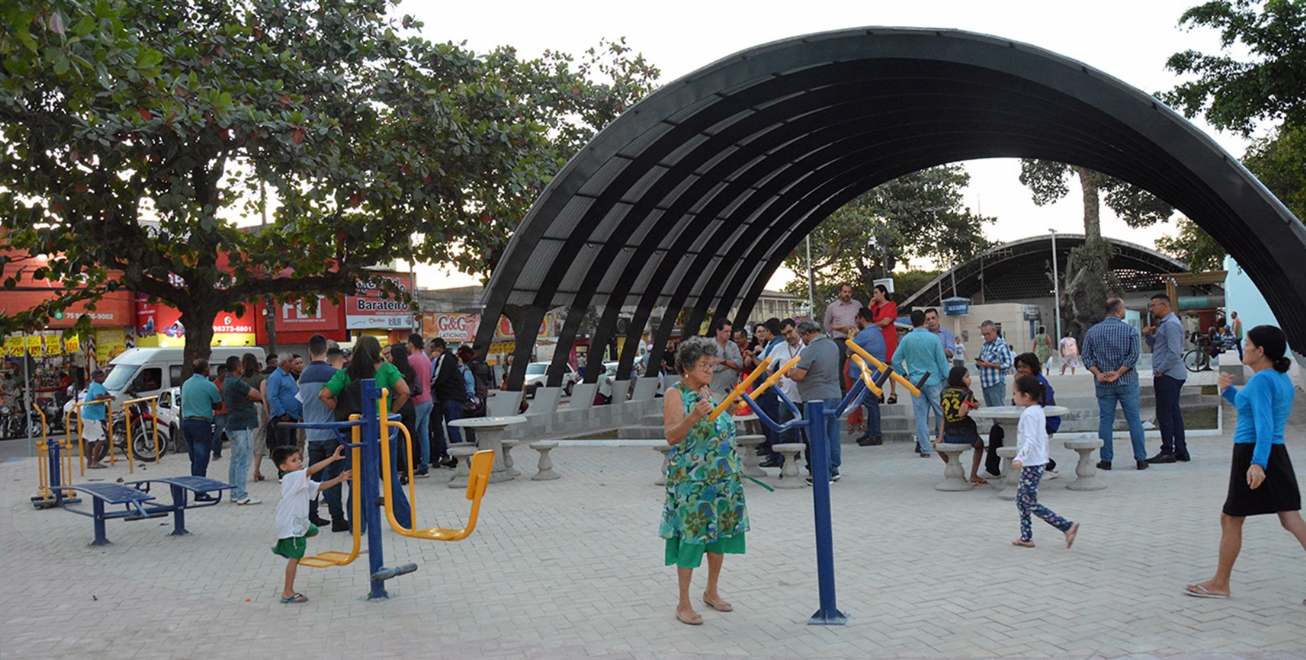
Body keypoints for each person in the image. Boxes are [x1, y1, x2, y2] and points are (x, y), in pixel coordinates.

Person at [1185, 325, 1306, 600]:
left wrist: (1257, 464)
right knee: (1290, 518)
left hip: (1256, 453)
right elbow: (1250, 409)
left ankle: (1220, 583)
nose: (1244, 348)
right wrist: (1227, 391)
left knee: (1230, 518)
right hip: (1274, 453)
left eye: (1248, 344)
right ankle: (1219, 581)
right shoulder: (1278, 377)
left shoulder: (1263, 380)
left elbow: (1265, 424)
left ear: (1260, 351)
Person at [659, 336, 750, 626]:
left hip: (721, 480)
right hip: (693, 482)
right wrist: (693, 418)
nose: (710, 370)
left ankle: (711, 591)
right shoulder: (676, 394)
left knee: (719, 536)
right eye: (704, 365)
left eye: (712, 365)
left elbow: (715, 426)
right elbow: (672, 436)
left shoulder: (707, 390)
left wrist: (730, 409)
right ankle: (683, 602)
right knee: (692, 537)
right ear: (686, 367)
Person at [318, 335, 412, 531]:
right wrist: (391, 411)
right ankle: (404, 522)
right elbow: (404, 391)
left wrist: (342, 411)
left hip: (356, 427)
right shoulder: (386, 369)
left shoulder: (346, 372)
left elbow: (324, 395)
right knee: (388, 474)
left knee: (357, 476)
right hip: (383, 426)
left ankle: (358, 525)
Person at [270, 444, 352, 604]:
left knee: (313, 531)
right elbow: (311, 470)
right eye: (294, 460)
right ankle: (287, 592)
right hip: (292, 525)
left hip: (300, 522)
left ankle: (285, 546)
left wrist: (339, 479)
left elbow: (320, 486)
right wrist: (332, 459)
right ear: (283, 467)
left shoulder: (300, 480)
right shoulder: (291, 477)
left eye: (299, 459)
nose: (299, 462)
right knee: (296, 557)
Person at [1011, 374, 1079, 549]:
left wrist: (1020, 458)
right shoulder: (1037, 411)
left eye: (1015, 394)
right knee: (1021, 499)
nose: (1013, 398)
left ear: (1026, 396)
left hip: (1032, 463)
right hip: (1034, 462)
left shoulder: (1030, 414)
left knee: (1028, 502)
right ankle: (1026, 536)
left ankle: (1066, 525)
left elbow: (1031, 441)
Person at [1081, 298, 1148, 471]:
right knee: (1134, 420)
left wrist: (1099, 374)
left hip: (1103, 383)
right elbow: (1133, 357)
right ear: (1119, 310)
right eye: (1124, 307)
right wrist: (1119, 373)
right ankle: (1141, 459)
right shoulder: (1129, 331)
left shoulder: (1092, 332)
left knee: (1105, 421)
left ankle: (1106, 460)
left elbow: (1086, 357)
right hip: (1127, 381)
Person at [299, 335, 345, 528]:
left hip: (313, 433)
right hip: (332, 432)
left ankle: (311, 515)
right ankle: (337, 518)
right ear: (326, 350)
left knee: (313, 477)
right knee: (334, 477)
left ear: (309, 351)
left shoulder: (303, 376)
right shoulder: (332, 374)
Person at [892, 309, 951, 458]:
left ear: (911, 323)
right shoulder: (933, 339)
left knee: (920, 416)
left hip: (916, 382)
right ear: (925, 321)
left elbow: (895, 360)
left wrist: (904, 374)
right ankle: (941, 441)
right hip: (934, 379)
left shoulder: (906, 339)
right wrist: (947, 377)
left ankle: (925, 448)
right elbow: (941, 361)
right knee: (940, 413)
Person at [790, 319, 843, 483]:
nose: (801, 339)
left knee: (818, 437)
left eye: (801, 336)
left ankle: (823, 474)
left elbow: (798, 376)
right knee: (832, 435)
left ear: (807, 334)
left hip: (815, 398)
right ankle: (834, 469)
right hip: (835, 394)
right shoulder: (832, 345)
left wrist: (789, 373)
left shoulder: (810, 350)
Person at [1142, 294, 1190, 464]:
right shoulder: (1166, 324)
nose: (1151, 309)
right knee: (1173, 412)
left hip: (1169, 375)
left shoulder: (1171, 324)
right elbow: (1158, 346)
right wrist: (1148, 336)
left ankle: (1167, 451)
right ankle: (1180, 450)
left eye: (1154, 306)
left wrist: (1160, 370)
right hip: (1170, 374)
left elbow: (1174, 352)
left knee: (1165, 413)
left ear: (1164, 306)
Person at [760, 319, 805, 466]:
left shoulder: (807, 345)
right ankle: (784, 467)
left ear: (796, 328)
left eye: (790, 332)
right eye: (784, 334)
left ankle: (812, 468)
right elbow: (767, 365)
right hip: (785, 398)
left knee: (807, 435)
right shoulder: (779, 347)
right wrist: (772, 378)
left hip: (804, 396)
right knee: (785, 434)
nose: (788, 336)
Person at [222, 356, 263, 506]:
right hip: (242, 425)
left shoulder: (227, 381)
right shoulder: (237, 382)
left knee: (235, 459)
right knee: (243, 460)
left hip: (233, 424)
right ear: (238, 367)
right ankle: (242, 494)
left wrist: (249, 397)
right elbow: (257, 395)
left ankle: (234, 492)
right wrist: (250, 397)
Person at [934, 366, 986, 485]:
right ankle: (973, 475)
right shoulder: (966, 393)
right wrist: (972, 405)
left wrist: (940, 437)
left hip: (949, 434)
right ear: (960, 379)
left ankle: (952, 466)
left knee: (938, 446)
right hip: (967, 433)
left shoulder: (944, 392)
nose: (970, 379)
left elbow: (943, 418)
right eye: (967, 377)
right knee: (979, 445)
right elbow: (962, 412)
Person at [1012, 352, 1060, 477]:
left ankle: (1040, 464)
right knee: (997, 430)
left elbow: (1038, 402)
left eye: (1024, 367)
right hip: (1036, 421)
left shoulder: (1038, 383)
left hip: (1047, 421)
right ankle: (992, 468)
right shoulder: (1024, 383)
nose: (1021, 370)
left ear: (1032, 367)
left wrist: (1021, 458)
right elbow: (1016, 402)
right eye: (1019, 367)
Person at [181, 358, 223, 482]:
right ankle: (200, 490)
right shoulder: (209, 385)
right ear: (206, 370)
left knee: (194, 459)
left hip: (186, 423)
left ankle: (194, 483)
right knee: (202, 458)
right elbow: (218, 405)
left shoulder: (186, 383)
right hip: (201, 423)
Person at [428, 338, 468, 463]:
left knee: (452, 428)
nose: (432, 351)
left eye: (433, 348)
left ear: (440, 348)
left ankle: (459, 458)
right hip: (454, 397)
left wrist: (428, 386)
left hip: (451, 398)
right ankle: (458, 457)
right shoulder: (450, 358)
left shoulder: (444, 358)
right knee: (453, 427)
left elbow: (438, 377)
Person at [850, 308, 885, 446]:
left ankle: (875, 435)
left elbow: (849, 349)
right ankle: (871, 432)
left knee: (871, 404)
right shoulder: (876, 331)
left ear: (862, 319)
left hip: (868, 374)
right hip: (871, 373)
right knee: (870, 403)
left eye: (857, 318)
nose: (856, 321)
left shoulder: (864, 334)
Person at [404, 334, 434, 478]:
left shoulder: (410, 360)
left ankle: (408, 466)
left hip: (417, 401)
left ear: (411, 344)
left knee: (409, 434)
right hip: (428, 399)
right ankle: (424, 466)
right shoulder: (426, 360)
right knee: (424, 435)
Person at [823, 284, 862, 393]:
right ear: (840, 292)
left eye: (849, 292)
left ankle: (857, 390)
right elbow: (827, 324)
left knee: (856, 364)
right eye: (844, 292)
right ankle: (843, 391)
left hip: (855, 340)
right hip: (840, 340)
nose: (847, 294)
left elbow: (862, 320)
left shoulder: (857, 305)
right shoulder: (832, 307)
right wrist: (833, 335)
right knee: (841, 365)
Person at [265, 353, 302, 452]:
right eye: (291, 361)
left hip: (292, 416)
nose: (293, 363)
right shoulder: (276, 377)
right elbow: (272, 397)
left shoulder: (289, 375)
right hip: (282, 418)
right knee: (284, 448)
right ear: (284, 363)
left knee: (292, 446)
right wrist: (282, 413)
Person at [243, 353, 271, 482]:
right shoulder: (260, 378)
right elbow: (264, 396)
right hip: (259, 409)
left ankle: (244, 469)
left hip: (244, 410)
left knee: (246, 440)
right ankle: (256, 469)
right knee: (259, 438)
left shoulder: (240, 379)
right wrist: (267, 412)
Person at [869, 284, 899, 403]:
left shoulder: (891, 306)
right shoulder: (874, 307)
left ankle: (893, 392)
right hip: (877, 338)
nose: (874, 295)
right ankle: (879, 392)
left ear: (883, 293)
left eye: (876, 293)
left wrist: (873, 326)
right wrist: (870, 306)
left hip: (888, 337)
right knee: (878, 365)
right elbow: (867, 319)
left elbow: (886, 321)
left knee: (890, 365)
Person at [975, 320, 1013, 408]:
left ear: (994, 331)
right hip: (985, 384)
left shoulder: (1001, 346)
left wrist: (989, 365)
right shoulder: (985, 346)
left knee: (998, 412)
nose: (986, 337)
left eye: (988, 334)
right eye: (983, 335)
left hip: (995, 383)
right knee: (991, 412)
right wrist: (979, 363)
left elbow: (1007, 364)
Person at [80, 370, 111, 468]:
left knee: (89, 439)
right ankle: (95, 462)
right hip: (93, 417)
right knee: (101, 439)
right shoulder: (98, 386)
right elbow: (98, 397)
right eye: (101, 377)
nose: (104, 378)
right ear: (96, 378)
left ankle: (89, 462)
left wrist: (107, 394)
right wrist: (110, 397)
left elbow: (104, 392)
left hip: (86, 415)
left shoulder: (93, 385)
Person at [708, 319, 742, 401]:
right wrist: (731, 365)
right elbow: (713, 366)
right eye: (726, 331)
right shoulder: (709, 345)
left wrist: (723, 361)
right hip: (716, 390)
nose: (728, 334)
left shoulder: (733, 345)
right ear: (718, 331)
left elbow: (740, 363)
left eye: (730, 331)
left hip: (733, 388)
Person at [211, 364, 228, 460]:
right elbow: (218, 396)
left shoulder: (227, 382)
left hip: (229, 410)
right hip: (219, 412)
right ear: (220, 373)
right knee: (218, 432)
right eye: (224, 372)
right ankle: (216, 452)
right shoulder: (214, 384)